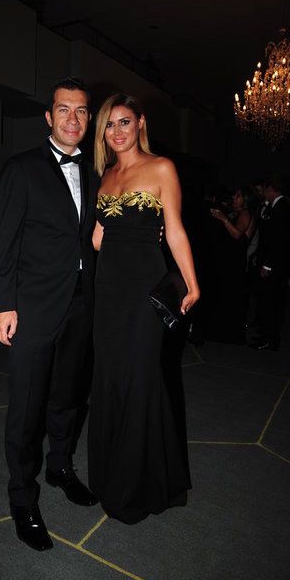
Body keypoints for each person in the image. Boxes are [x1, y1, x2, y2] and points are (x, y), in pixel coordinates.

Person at [0, 77, 99, 551]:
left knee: (69, 397)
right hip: (32, 306)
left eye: (81, 111)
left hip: (81, 304)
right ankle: (22, 497)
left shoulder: (96, 172)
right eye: (64, 110)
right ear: (48, 116)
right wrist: (3, 304)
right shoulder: (21, 168)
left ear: (88, 118)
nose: (72, 119)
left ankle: (60, 467)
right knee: (26, 407)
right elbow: (4, 241)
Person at [88, 93, 200, 524]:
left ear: (140, 124)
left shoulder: (161, 168)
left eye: (124, 122)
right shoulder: (106, 175)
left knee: (140, 377)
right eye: (109, 125)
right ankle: (111, 473)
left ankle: (137, 486)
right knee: (110, 378)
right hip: (108, 291)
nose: (117, 131)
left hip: (142, 290)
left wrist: (192, 282)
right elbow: (98, 238)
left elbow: (175, 231)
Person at [210, 185, 258, 343]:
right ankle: (226, 332)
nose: (234, 198)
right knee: (229, 296)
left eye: (238, 195)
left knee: (230, 296)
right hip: (233, 261)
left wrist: (223, 219)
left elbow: (237, 234)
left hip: (235, 263)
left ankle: (228, 334)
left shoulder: (246, 213)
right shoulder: (241, 213)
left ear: (245, 199)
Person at [250, 175, 290, 350]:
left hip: (276, 266)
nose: (264, 193)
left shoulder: (281, 208)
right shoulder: (276, 207)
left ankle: (270, 339)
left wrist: (268, 265)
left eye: (266, 189)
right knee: (270, 301)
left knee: (273, 302)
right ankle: (267, 335)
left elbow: (279, 241)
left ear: (272, 189)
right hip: (274, 263)